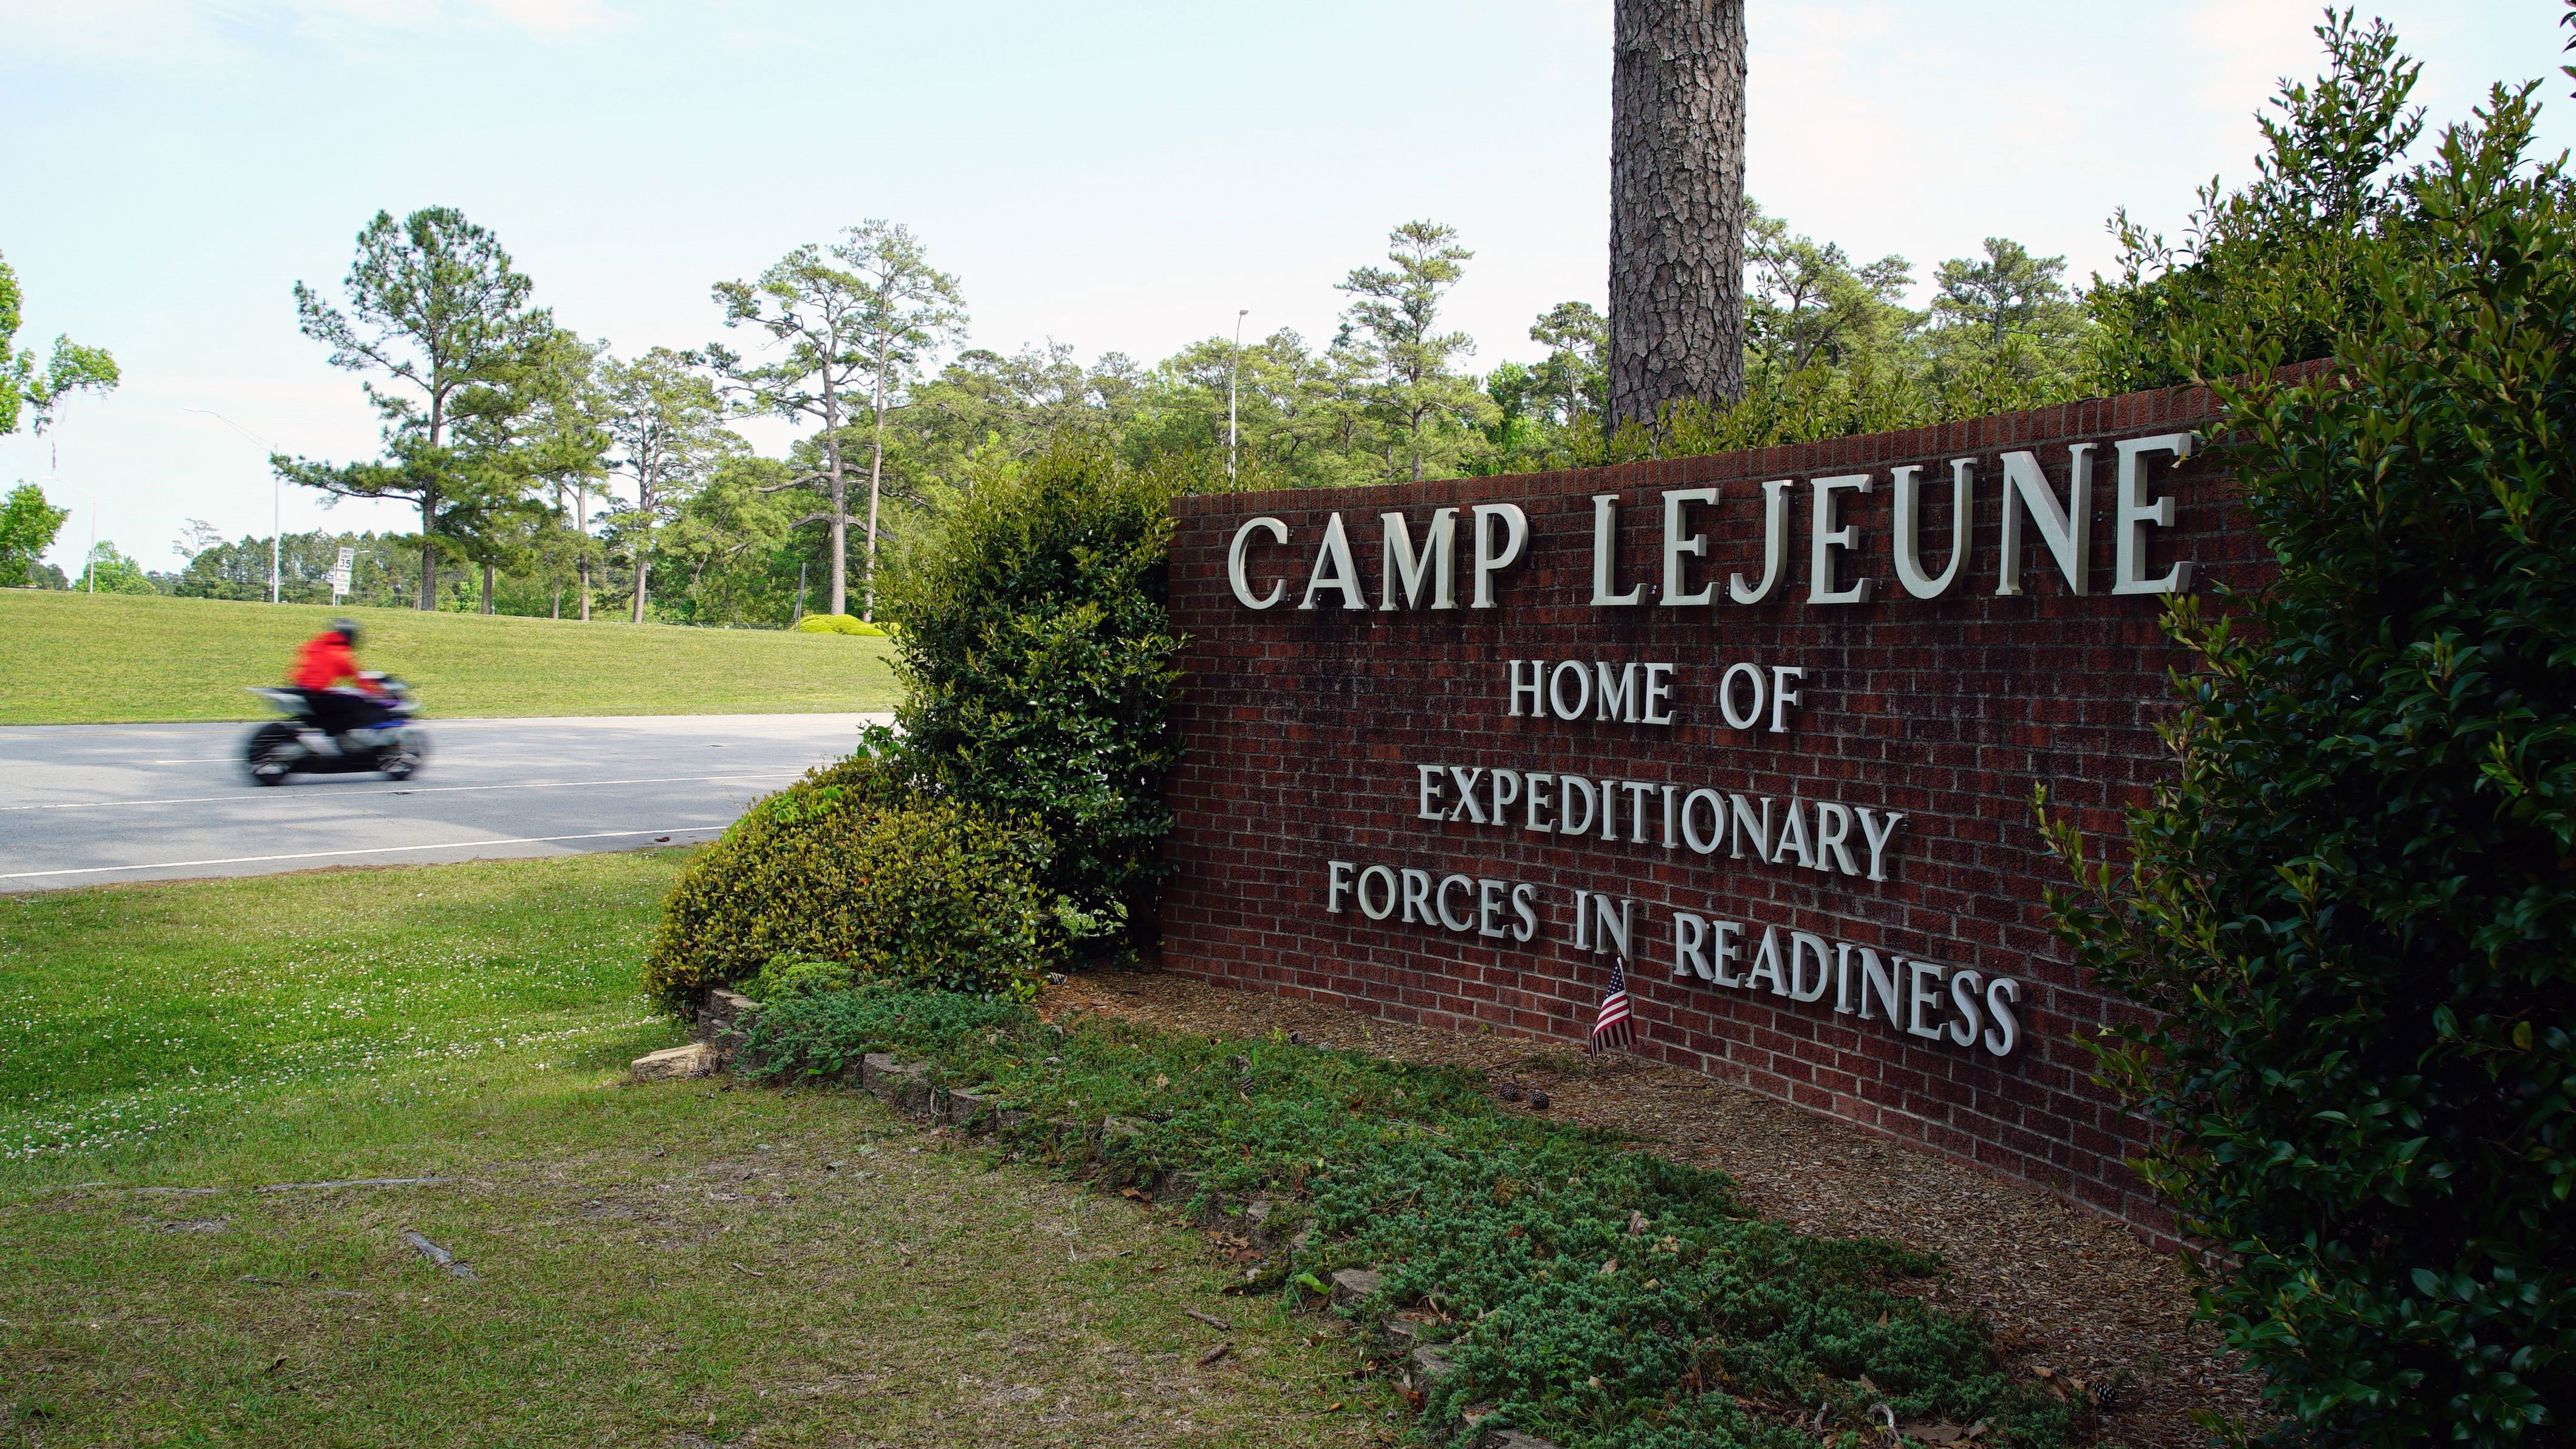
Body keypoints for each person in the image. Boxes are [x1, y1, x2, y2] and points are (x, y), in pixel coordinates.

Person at [290, 617, 390, 740]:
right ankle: (332, 741)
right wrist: (378, 694)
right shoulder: (341, 655)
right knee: (353, 711)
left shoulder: (317, 644)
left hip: (299, 688)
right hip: (315, 694)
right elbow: (359, 679)